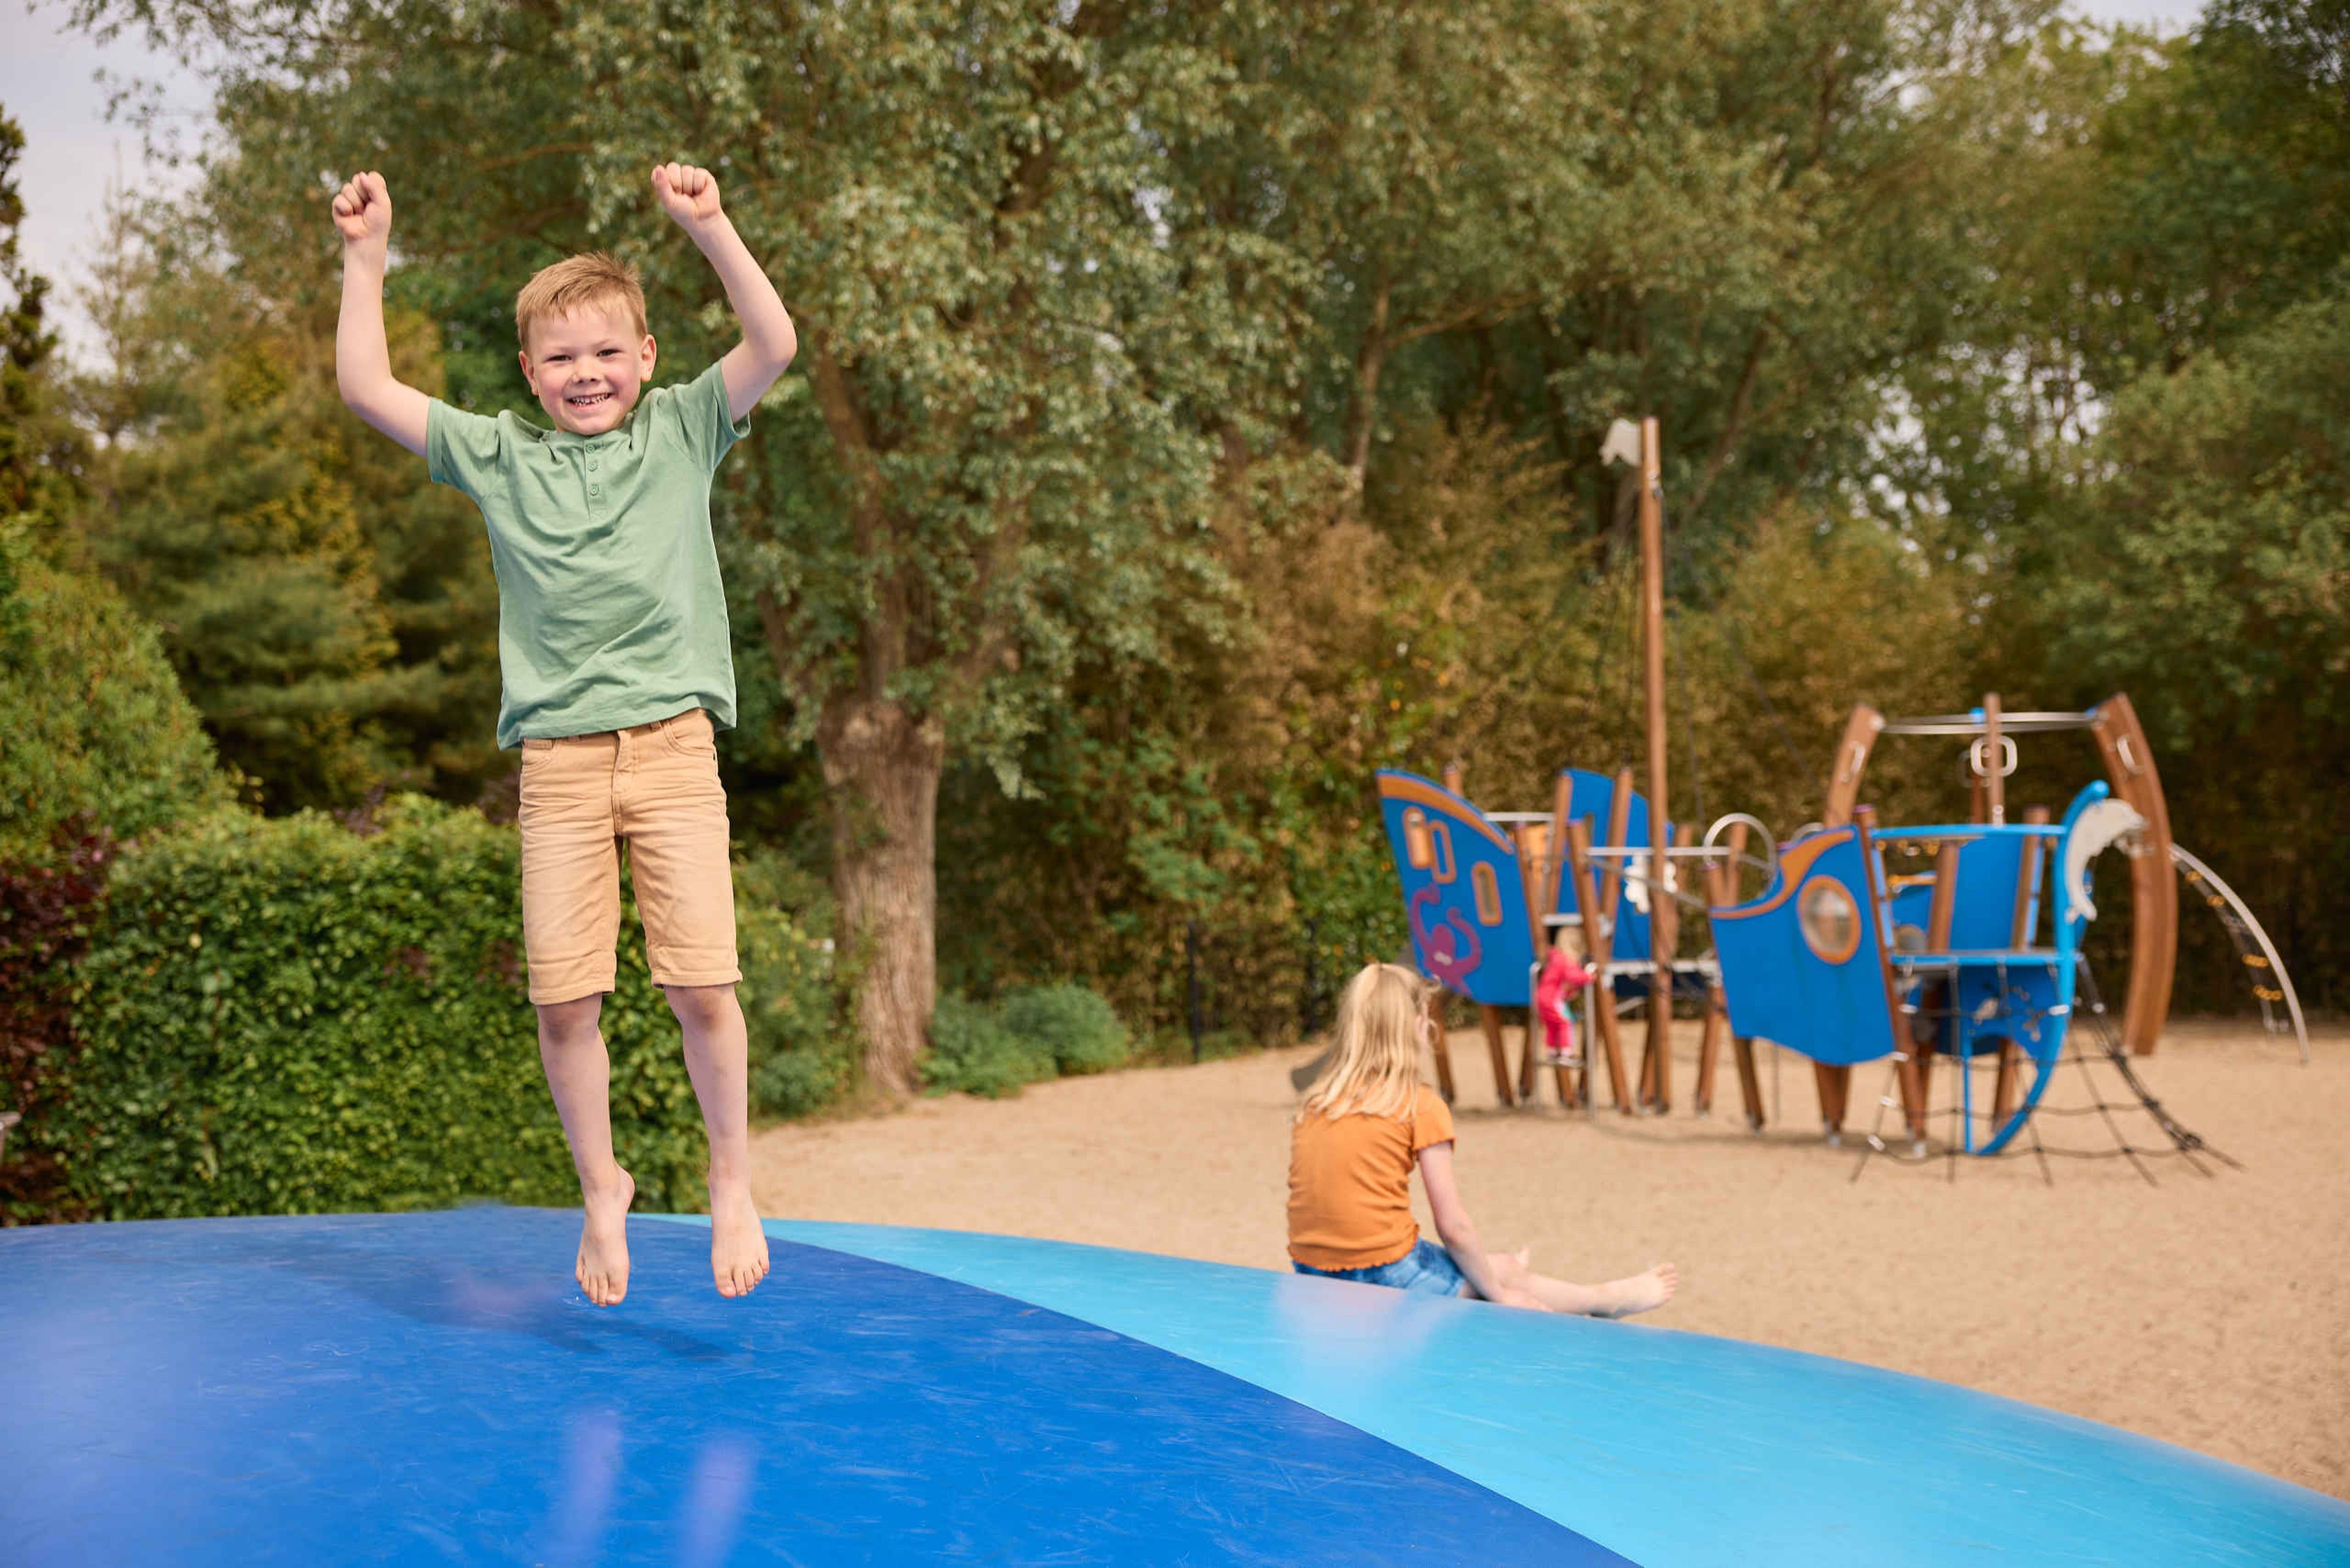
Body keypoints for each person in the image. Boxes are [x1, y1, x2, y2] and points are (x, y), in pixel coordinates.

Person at [330, 163, 797, 1307]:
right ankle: (602, 1184)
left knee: (702, 985)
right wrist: (365, 255)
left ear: (643, 358)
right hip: (560, 763)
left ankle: (731, 1173)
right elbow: (364, 386)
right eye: (560, 358)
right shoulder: (498, 455)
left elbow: (774, 343)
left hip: (675, 747)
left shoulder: (686, 427)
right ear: (530, 373)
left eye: (605, 353)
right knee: (563, 1000)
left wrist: (711, 226)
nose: (585, 375)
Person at [1287, 963, 1677, 1315]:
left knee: (1502, 1269)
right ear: (1417, 1025)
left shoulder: (1318, 1103)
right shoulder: (1417, 1104)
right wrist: (1500, 1296)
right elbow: (1453, 1227)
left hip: (1313, 1269)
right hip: (1386, 1274)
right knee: (1514, 1297)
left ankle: (1596, 1297)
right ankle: (1599, 1302)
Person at [1535, 928, 1595, 1066]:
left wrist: (1568, 992)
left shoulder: (1554, 958)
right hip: (1552, 999)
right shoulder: (1564, 960)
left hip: (1542, 996)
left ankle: (1552, 1052)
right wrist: (1588, 976)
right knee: (1565, 1022)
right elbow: (1572, 976)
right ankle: (1565, 1053)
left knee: (1552, 1025)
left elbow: (1559, 981)